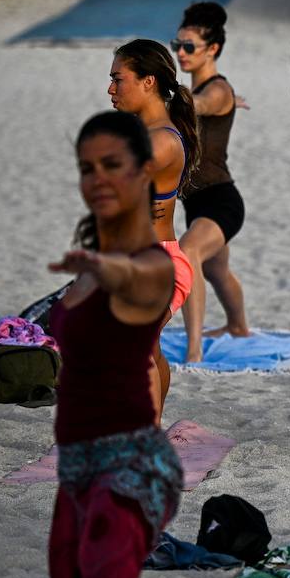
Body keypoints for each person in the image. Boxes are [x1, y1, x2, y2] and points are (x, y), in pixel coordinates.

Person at [47, 111, 182, 578]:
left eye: (112, 165)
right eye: (86, 167)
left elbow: (144, 282)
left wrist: (110, 272)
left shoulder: (148, 264)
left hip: (137, 462)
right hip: (74, 464)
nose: (97, 177)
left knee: (104, 564)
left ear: (141, 172)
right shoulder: (93, 260)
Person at [108, 38, 201, 409]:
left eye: (119, 78)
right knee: (150, 349)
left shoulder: (159, 142)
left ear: (148, 82)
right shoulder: (148, 135)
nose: (111, 88)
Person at [173, 2, 251, 363]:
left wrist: (157, 93)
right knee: (216, 270)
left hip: (221, 201)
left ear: (213, 49)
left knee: (188, 252)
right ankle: (238, 326)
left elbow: (200, 103)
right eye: (177, 45)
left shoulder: (216, 90)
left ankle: (193, 351)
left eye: (189, 47)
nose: (181, 53)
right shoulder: (216, 92)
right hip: (196, 203)